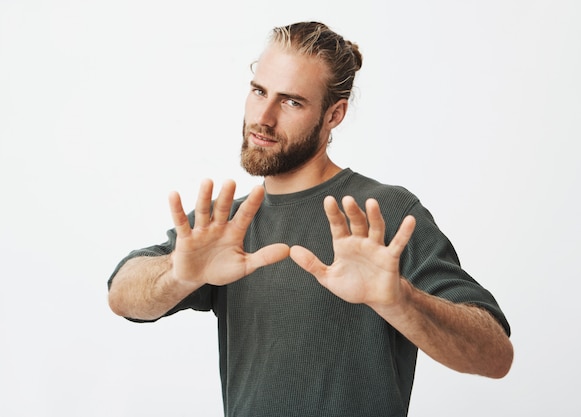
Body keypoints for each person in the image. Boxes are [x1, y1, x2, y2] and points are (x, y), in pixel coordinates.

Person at [108, 21, 513, 417]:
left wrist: (399, 299)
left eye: (291, 101)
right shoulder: (226, 226)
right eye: (258, 91)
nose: (262, 118)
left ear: (334, 114)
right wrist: (180, 275)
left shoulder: (382, 212)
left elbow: (495, 356)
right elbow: (121, 295)